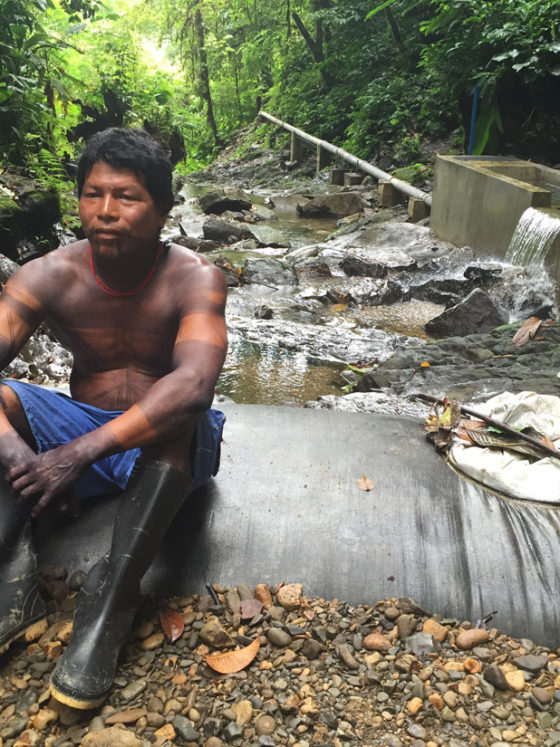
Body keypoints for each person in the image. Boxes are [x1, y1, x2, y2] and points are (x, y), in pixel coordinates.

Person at [0, 128, 228, 709]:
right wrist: (23, 457)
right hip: (80, 429)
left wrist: (73, 457)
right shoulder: (47, 275)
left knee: (181, 408)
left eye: (126, 197)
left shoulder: (194, 276)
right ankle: (13, 569)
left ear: (162, 208)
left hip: (171, 451)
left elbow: (195, 384)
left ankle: (111, 602)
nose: (105, 212)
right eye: (92, 194)